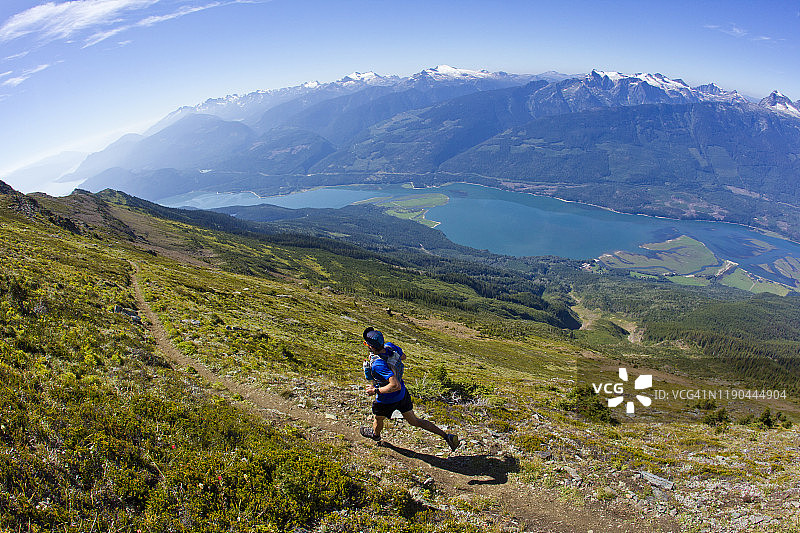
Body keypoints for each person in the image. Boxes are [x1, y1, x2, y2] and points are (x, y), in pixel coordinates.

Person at [360, 327, 460, 451]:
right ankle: (446, 436)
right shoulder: (390, 347)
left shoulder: (378, 364)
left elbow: (395, 385)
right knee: (415, 421)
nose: (366, 346)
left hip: (386, 399)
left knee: (378, 418)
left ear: (372, 347)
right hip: (402, 395)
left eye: (366, 344)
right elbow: (403, 357)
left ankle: (375, 435)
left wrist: (375, 390)